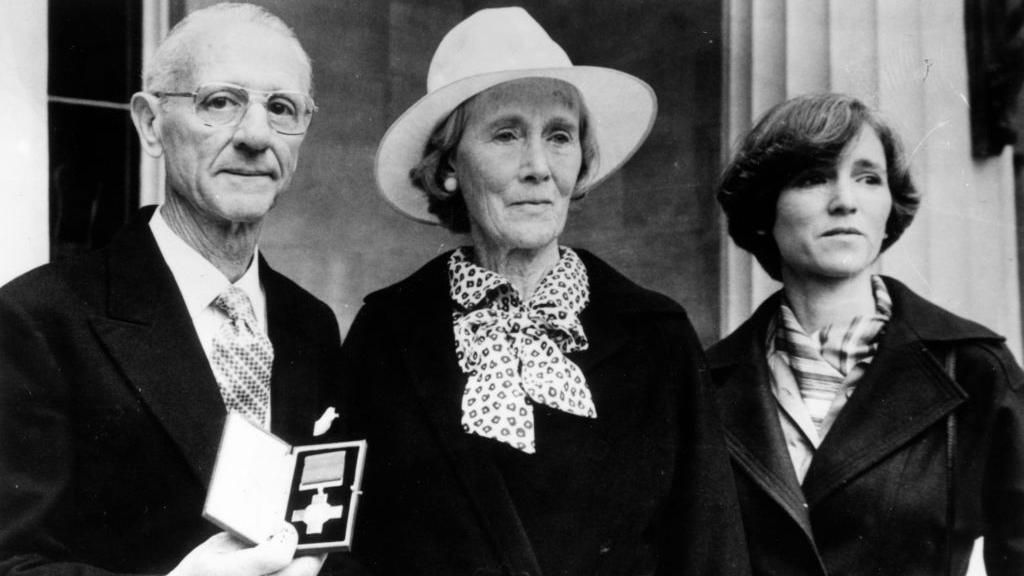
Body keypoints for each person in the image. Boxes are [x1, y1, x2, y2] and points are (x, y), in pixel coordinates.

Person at [338, 7, 749, 576]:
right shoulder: (386, 335)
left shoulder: (657, 334)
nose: (538, 166)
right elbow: (346, 551)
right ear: (451, 165)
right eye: (506, 134)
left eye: (559, 135)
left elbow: (710, 553)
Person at [0, 4, 341, 576]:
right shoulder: (39, 319)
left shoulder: (310, 324)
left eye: (281, 108)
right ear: (150, 125)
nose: (256, 135)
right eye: (221, 102)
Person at [710, 92, 1024, 575]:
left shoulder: (976, 369)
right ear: (763, 209)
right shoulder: (702, 381)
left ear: (888, 206)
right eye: (813, 178)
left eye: (868, 178)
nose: (845, 202)